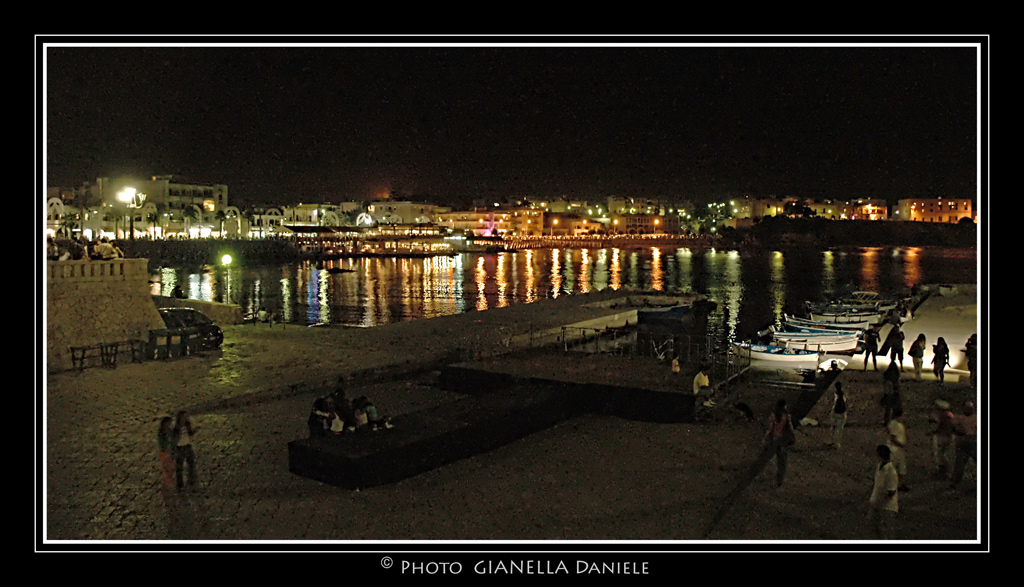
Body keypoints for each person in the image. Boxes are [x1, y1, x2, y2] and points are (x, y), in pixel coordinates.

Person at [868, 444, 899, 540]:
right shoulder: (880, 467)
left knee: (886, 532)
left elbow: (891, 491)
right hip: (876, 504)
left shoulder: (891, 472)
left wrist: (879, 502)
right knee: (875, 528)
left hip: (886, 507)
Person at [764, 399, 795, 487]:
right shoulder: (786, 415)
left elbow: (770, 428)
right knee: (782, 461)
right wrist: (792, 437)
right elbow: (790, 427)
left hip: (775, 439)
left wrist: (766, 438)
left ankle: (776, 476)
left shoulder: (773, 415)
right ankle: (779, 479)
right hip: (783, 440)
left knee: (776, 458)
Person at [948, 402, 977, 491]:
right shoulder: (960, 418)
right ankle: (954, 483)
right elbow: (953, 428)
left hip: (972, 443)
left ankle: (955, 483)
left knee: (960, 464)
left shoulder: (972, 418)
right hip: (966, 443)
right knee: (959, 464)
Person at [173, 410, 199, 490]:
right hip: (180, 447)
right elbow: (174, 438)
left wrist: (195, 430)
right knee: (179, 467)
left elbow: (190, 433)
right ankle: (180, 484)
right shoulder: (176, 427)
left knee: (191, 464)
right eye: (183, 417)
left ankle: (191, 481)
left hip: (187, 446)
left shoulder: (187, 424)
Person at [930, 399, 956, 477]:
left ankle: (943, 471)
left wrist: (933, 432)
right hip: (949, 437)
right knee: (946, 454)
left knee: (939, 455)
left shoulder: (942, 416)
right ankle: (946, 471)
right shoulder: (950, 416)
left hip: (942, 437)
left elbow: (938, 426)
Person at [886, 412, 909, 492]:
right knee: (894, 467)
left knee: (901, 467)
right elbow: (893, 438)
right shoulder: (894, 424)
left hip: (898, 449)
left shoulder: (897, 424)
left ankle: (899, 484)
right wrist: (901, 445)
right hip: (895, 449)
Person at [157, 416, 176, 490]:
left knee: (171, 469)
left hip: (170, 452)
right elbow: (163, 444)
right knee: (168, 469)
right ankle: (167, 485)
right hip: (166, 453)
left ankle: (169, 484)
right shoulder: (162, 434)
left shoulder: (169, 432)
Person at [881, 361, 902, 426]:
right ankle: (893, 419)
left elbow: (886, 386)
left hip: (888, 394)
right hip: (894, 393)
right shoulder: (896, 375)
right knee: (894, 407)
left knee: (887, 408)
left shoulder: (887, 376)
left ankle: (886, 420)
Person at [830, 382, 848, 450]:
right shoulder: (842, 394)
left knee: (835, 429)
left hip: (837, 413)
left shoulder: (838, 395)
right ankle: (836, 443)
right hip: (841, 413)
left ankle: (835, 443)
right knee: (838, 429)